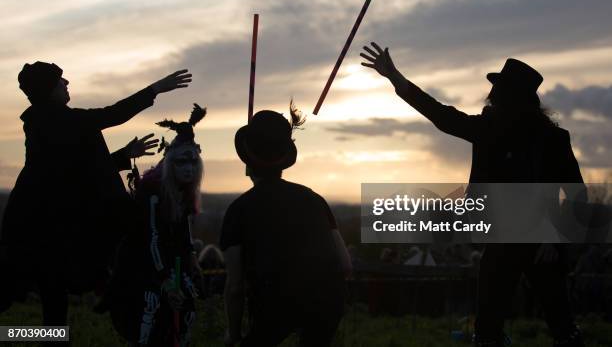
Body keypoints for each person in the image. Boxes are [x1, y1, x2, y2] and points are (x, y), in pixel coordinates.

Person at [361, 43, 585, 347]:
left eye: (498, 91)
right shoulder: (494, 128)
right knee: (508, 327)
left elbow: (575, 191)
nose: (491, 97)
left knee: (549, 326)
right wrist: (395, 77)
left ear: (505, 96)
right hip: (511, 240)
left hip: (535, 243)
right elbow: (441, 115)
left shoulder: (541, 136)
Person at [0, 61, 191, 324]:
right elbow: (113, 114)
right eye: (60, 80)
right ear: (49, 89)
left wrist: (125, 155)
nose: (66, 83)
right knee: (25, 293)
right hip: (39, 229)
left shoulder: (46, 123)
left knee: (49, 301)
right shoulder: (59, 120)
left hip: (40, 226)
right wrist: (156, 88)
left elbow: (76, 174)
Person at [220, 105, 352, 347]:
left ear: (246, 161)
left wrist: (234, 334)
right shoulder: (315, 200)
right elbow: (344, 264)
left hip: (271, 309)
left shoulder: (238, 211)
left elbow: (235, 287)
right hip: (326, 307)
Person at [108, 104, 206, 346]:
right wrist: (164, 279)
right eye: (182, 162)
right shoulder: (153, 193)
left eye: (193, 163)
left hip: (172, 262)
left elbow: (182, 233)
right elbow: (152, 238)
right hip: (143, 267)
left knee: (187, 313)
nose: (189, 168)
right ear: (171, 163)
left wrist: (191, 256)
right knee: (150, 316)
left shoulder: (183, 193)